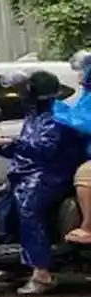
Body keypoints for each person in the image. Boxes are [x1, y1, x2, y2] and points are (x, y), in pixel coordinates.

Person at [0, 69, 86, 294]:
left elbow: (43, 150)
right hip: (30, 171)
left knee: (28, 207)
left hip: (52, 174)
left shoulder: (58, 118)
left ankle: (42, 273)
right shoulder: (35, 115)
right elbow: (25, 148)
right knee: (4, 205)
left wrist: (10, 143)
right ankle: (15, 264)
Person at [60, 50, 91, 245]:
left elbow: (84, 121)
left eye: (82, 70)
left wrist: (61, 115)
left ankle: (88, 227)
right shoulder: (86, 94)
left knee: (84, 173)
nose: (79, 75)